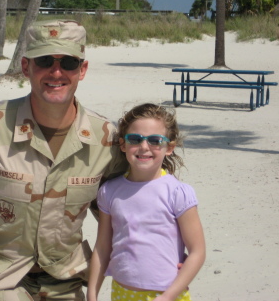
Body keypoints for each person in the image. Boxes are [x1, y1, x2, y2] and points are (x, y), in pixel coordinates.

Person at [0, 19, 129, 300]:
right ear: (26, 67)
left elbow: (129, 211)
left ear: (82, 70)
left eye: (69, 63)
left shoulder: (106, 139)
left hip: (67, 278)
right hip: (2, 277)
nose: (56, 72)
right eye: (44, 60)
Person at [88, 103, 206, 301]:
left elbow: (197, 251)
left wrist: (167, 297)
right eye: (135, 139)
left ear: (169, 147)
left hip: (168, 294)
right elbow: (102, 247)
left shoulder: (178, 193)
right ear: (123, 144)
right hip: (121, 292)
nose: (144, 146)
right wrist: (92, 293)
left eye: (154, 140)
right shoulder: (109, 191)